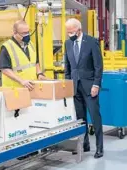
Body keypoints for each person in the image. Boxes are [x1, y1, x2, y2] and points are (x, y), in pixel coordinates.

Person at [64, 18, 103, 158]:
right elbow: (67, 66)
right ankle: (84, 145)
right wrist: (67, 84)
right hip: (75, 87)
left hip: (90, 86)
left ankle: (99, 148)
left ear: (79, 30)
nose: (69, 34)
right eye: (68, 32)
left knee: (94, 116)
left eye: (71, 31)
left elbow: (98, 66)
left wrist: (96, 84)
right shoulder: (68, 43)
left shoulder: (91, 42)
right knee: (80, 118)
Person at [0, 20, 47, 90]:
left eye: (28, 32)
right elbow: (5, 70)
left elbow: (35, 62)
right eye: (24, 33)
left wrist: (39, 73)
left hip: (30, 87)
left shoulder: (31, 44)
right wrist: (21, 81)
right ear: (15, 32)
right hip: (14, 90)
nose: (27, 35)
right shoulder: (6, 47)